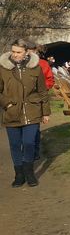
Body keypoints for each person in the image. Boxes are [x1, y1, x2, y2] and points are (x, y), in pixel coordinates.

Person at [0, 39, 50, 187]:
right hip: (12, 112)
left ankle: (29, 172)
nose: (15, 55)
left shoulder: (35, 68)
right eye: (13, 51)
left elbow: (42, 91)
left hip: (32, 111)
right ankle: (19, 175)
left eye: (18, 52)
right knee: (15, 145)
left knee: (29, 143)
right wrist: (6, 103)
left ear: (26, 52)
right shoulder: (3, 68)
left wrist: (45, 112)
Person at [26, 42, 55, 161]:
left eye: (33, 51)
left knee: (34, 127)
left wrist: (41, 89)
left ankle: (34, 151)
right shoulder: (18, 64)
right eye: (28, 51)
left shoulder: (42, 64)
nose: (31, 53)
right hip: (21, 100)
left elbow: (49, 80)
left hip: (37, 99)